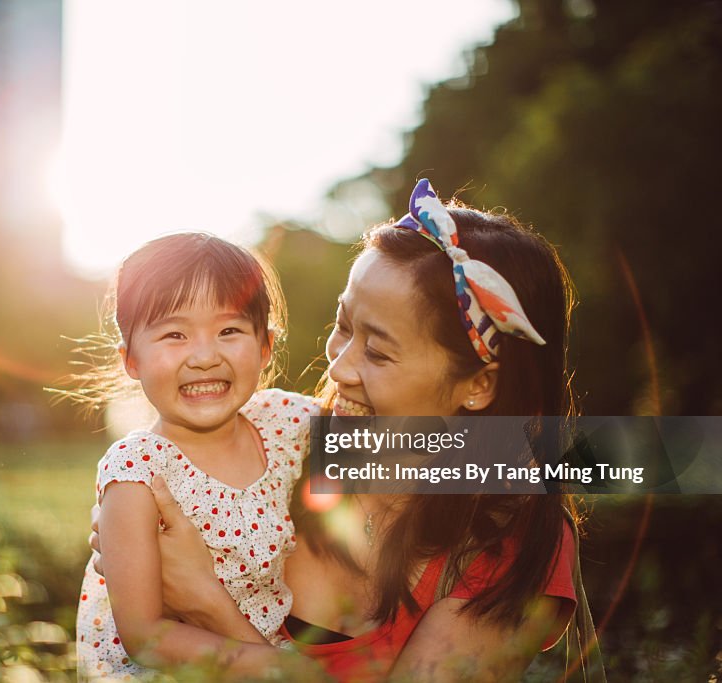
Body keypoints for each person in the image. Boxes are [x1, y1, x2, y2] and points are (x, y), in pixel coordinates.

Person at [91, 179, 604, 682]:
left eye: (377, 351)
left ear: (478, 385)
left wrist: (208, 605)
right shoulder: (281, 442)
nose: (337, 370)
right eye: (343, 326)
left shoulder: (506, 544)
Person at [73, 233, 320, 679]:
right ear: (132, 360)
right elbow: (147, 636)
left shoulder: (284, 423)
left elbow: (419, 448)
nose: (205, 356)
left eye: (229, 331)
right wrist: (282, 672)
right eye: (174, 334)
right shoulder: (138, 470)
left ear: (265, 346)